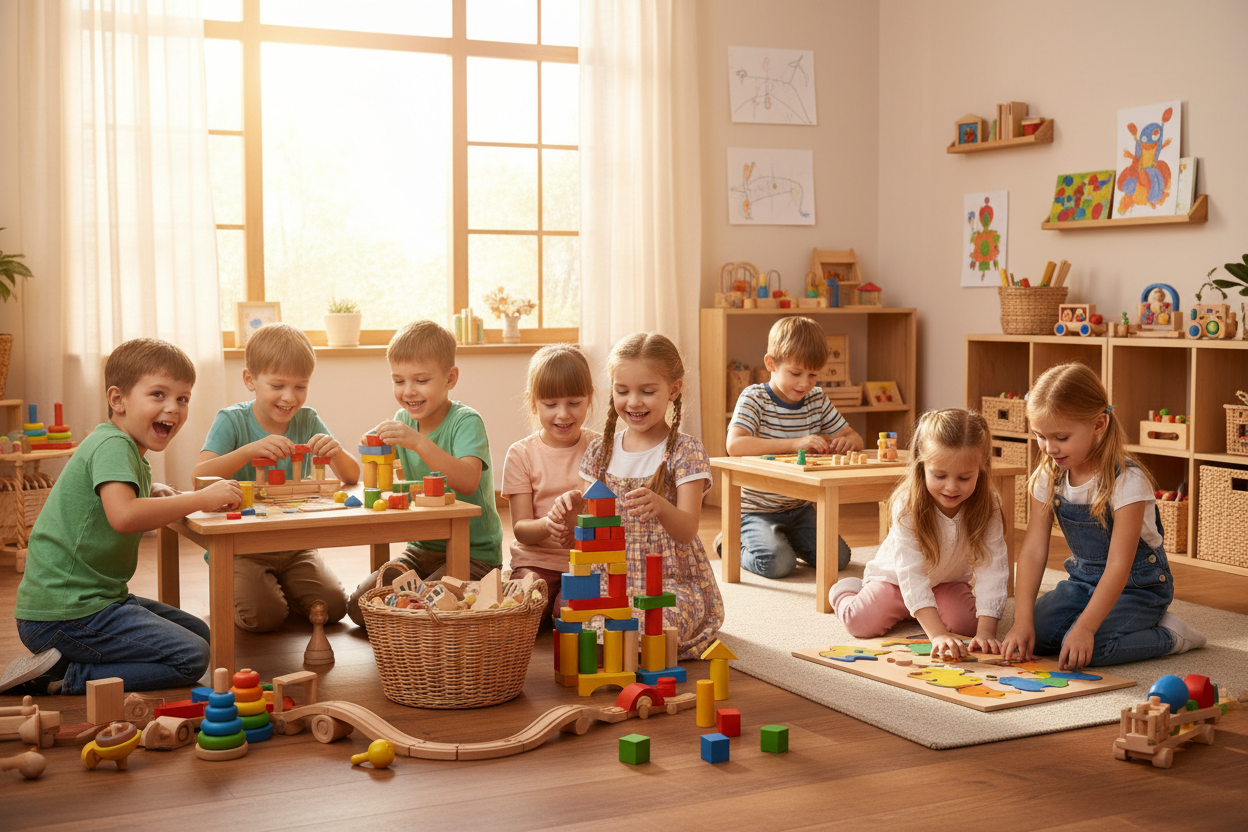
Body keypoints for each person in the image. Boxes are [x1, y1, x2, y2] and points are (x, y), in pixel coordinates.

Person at [1, 338, 241, 696]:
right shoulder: (114, 445)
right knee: (191, 657)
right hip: (66, 613)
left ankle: (67, 659)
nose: (172, 408)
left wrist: (154, 488)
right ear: (118, 400)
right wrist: (199, 498)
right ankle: (64, 677)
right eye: (158, 394)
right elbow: (124, 515)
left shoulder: (123, 449)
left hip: (92, 603)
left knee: (200, 633)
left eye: (182, 398)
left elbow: (118, 501)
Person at [1001, 362, 1205, 670]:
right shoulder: (1049, 474)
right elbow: (1032, 551)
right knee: (1039, 636)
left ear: (1098, 425)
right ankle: (1104, 623)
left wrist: (1085, 628)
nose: (1048, 448)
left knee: (1089, 651)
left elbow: (1119, 566)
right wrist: (1021, 620)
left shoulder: (1127, 481)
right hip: (1083, 581)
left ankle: (1171, 634)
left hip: (1139, 587)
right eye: (1039, 436)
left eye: (1061, 437)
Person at [549, 333, 723, 659]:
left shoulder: (686, 450)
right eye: (622, 390)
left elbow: (687, 530)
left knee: (656, 624)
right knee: (569, 611)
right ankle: (621, 646)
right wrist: (567, 512)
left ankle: (634, 645)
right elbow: (586, 531)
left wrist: (661, 506)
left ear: (673, 389)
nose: (633, 402)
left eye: (647, 391)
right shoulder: (600, 451)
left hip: (669, 582)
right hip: (608, 579)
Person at [195, 323, 359, 632]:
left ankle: (280, 585)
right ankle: (227, 587)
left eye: (300, 386)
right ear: (250, 380)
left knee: (335, 608)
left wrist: (335, 451)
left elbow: (351, 475)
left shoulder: (308, 419)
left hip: (295, 544)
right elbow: (199, 477)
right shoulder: (231, 420)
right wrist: (249, 450)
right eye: (278, 385)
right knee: (264, 618)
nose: (289, 397)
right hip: (241, 547)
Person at [346, 320, 504, 628]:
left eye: (420, 380)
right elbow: (391, 482)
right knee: (360, 607)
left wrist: (417, 442)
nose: (408, 392)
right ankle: (405, 616)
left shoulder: (466, 421)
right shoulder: (403, 420)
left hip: (473, 553)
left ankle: (417, 618)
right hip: (421, 550)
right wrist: (376, 446)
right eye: (399, 381)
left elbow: (467, 480)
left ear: (450, 378)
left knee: (424, 608)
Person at [829, 409, 1008, 660]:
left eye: (965, 477)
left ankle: (925, 611)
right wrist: (937, 634)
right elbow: (910, 574)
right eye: (940, 475)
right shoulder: (907, 504)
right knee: (860, 623)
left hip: (946, 583)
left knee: (969, 625)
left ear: (982, 468)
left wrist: (987, 630)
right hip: (895, 582)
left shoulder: (989, 504)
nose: (951, 487)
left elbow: (993, 566)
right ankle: (847, 588)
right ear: (921, 466)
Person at [723, 316, 861, 578]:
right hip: (756, 510)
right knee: (778, 564)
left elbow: (852, 435)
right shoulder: (754, 397)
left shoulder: (816, 398)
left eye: (813, 375)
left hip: (799, 508)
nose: (804, 384)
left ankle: (785, 540)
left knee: (838, 559)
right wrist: (795, 443)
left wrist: (849, 441)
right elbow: (735, 445)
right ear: (771, 364)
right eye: (796, 373)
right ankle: (730, 543)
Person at [500, 345, 599, 626]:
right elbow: (521, 528)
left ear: (589, 398)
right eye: (551, 404)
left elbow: (608, 518)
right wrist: (550, 524)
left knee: (569, 616)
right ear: (533, 403)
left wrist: (579, 524)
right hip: (534, 561)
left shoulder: (600, 449)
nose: (563, 414)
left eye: (574, 403)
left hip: (585, 564)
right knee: (523, 612)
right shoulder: (521, 454)